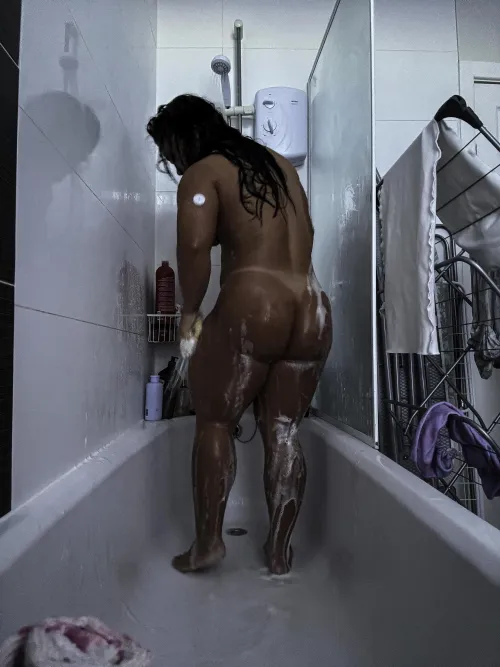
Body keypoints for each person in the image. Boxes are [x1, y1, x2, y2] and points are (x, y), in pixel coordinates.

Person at [147, 95, 332, 575]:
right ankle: (280, 553)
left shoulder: (204, 172)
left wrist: (190, 311)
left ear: (184, 139)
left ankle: (207, 545)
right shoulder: (279, 168)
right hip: (312, 307)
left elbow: (193, 245)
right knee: (284, 430)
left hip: (256, 304)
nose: (172, 164)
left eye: (169, 154)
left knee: (213, 420)